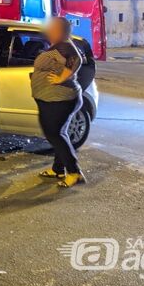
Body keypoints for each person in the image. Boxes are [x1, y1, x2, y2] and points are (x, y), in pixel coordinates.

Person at [30, 17, 86, 188]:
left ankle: (74, 172)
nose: (48, 29)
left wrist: (62, 78)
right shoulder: (59, 45)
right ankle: (58, 169)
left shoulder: (64, 44)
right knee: (59, 134)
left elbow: (76, 59)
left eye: (52, 27)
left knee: (54, 134)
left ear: (60, 30)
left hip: (59, 98)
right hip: (54, 98)